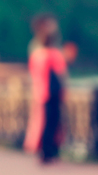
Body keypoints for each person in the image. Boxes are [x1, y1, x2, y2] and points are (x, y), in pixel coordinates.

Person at [24, 14, 68, 163]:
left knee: (45, 122)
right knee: (51, 122)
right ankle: (49, 151)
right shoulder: (51, 53)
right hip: (50, 93)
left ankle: (45, 150)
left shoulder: (37, 52)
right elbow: (61, 73)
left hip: (42, 92)